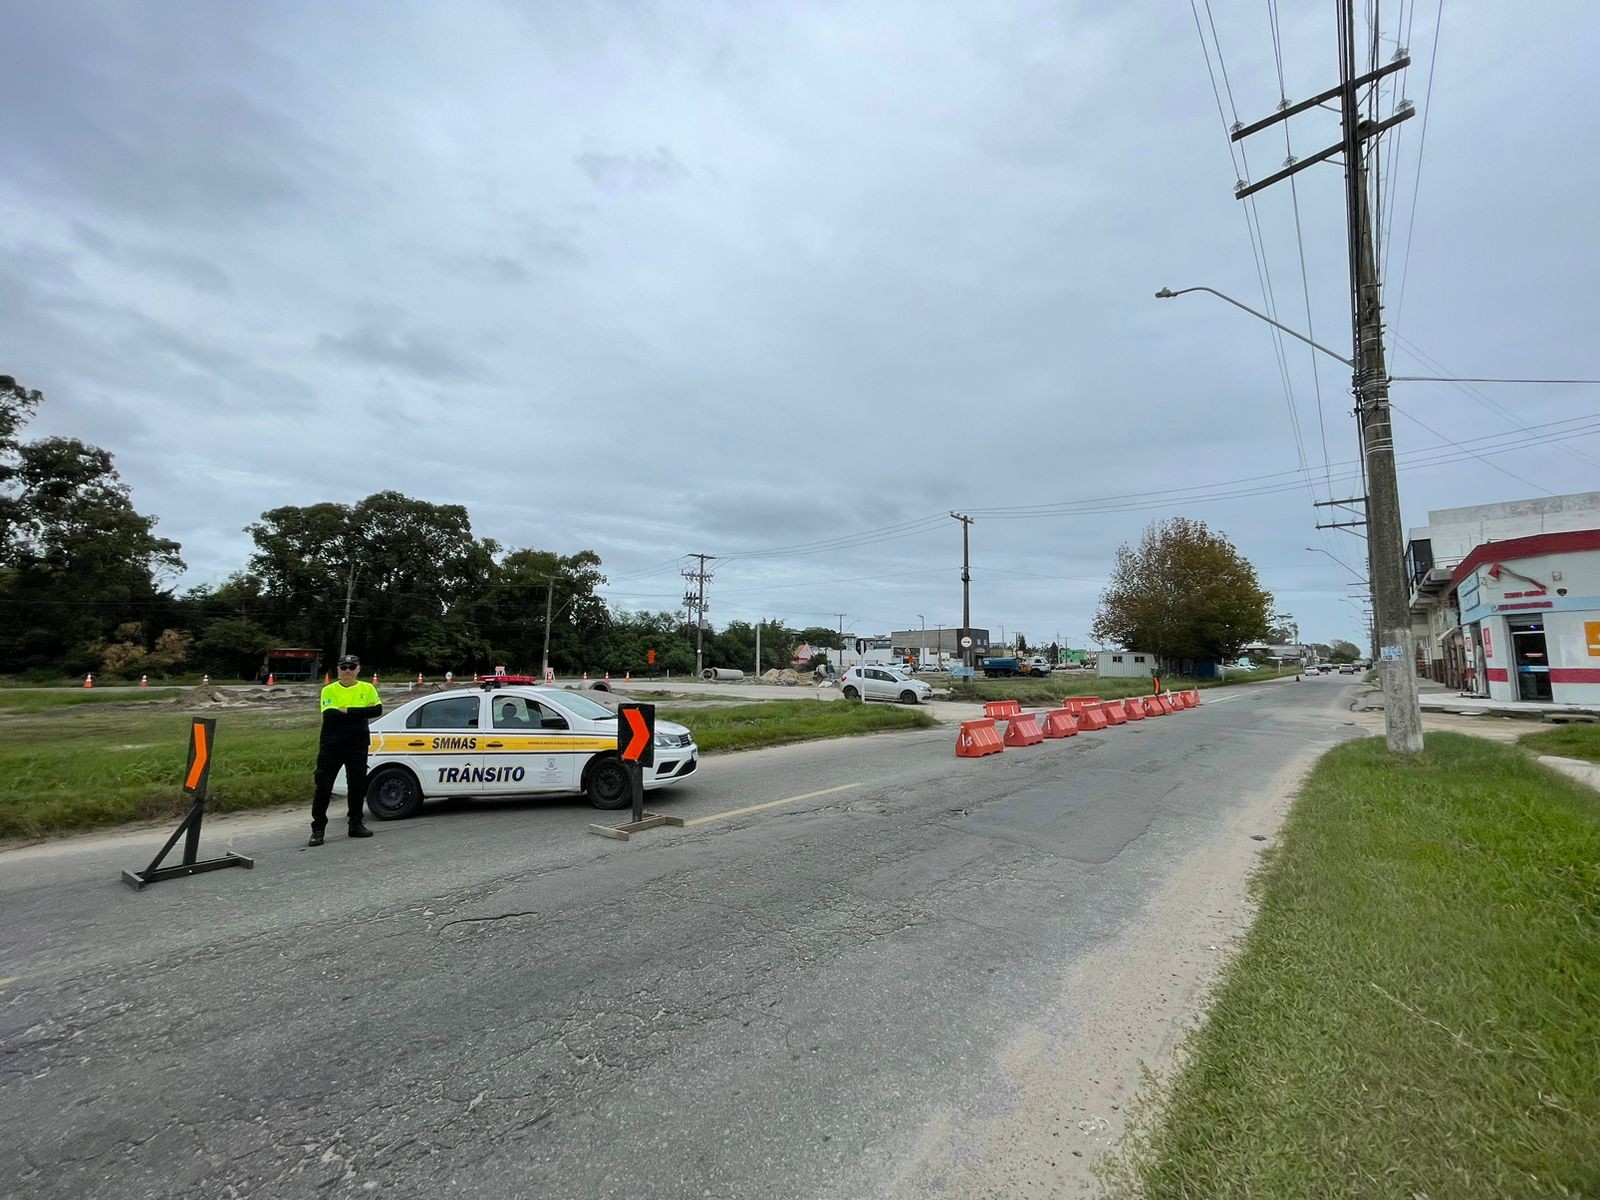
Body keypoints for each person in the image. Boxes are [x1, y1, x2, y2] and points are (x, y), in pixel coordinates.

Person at [308, 653, 384, 846]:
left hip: (358, 744)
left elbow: (376, 711)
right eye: (344, 667)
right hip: (332, 744)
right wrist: (359, 713)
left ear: (358, 669)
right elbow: (331, 715)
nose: (348, 671)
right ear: (338, 670)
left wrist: (347, 710)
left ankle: (356, 824)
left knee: (357, 786)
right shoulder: (329, 690)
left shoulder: (367, 688)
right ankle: (318, 829)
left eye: (352, 667)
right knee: (324, 786)